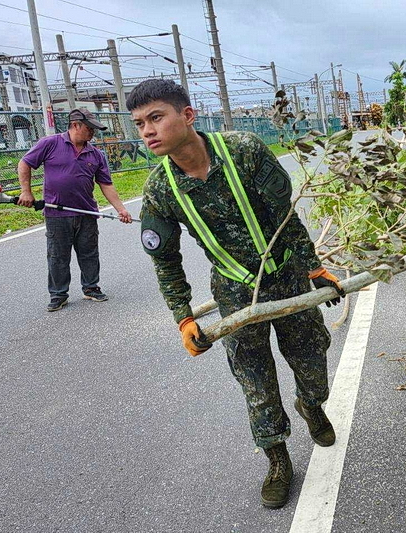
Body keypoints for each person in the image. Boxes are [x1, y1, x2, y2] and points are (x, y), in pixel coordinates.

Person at [128, 79, 345, 509]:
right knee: (256, 383)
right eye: (139, 124)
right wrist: (184, 317)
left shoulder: (244, 150)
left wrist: (313, 267)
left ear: (187, 116)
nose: (147, 131)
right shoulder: (159, 190)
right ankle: (278, 459)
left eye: (156, 117)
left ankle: (310, 405)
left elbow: (285, 214)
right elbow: (165, 260)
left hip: (286, 278)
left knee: (313, 362)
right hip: (234, 292)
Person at [18, 108, 132, 312]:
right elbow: (25, 163)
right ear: (75, 125)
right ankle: (58, 294)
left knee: (89, 253)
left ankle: (91, 288)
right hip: (57, 213)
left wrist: (120, 209)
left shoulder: (96, 154)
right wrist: (26, 192)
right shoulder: (50, 143)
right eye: (90, 128)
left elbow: (106, 184)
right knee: (57, 255)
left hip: (87, 212)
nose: (93, 133)